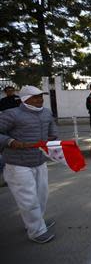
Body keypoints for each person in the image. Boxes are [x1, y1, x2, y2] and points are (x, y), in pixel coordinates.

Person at [0, 85, 57, 243]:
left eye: (41, 96)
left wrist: (52, 140)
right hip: (18, 164)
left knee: (41, 195)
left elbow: (53, 131)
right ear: (25, 99)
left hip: (39, 161)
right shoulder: (12, 114)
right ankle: (36, 231)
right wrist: (10, 141)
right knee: (28, 199)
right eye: (36, 97)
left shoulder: (46, 113)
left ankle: (38, 222)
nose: (40, 99)